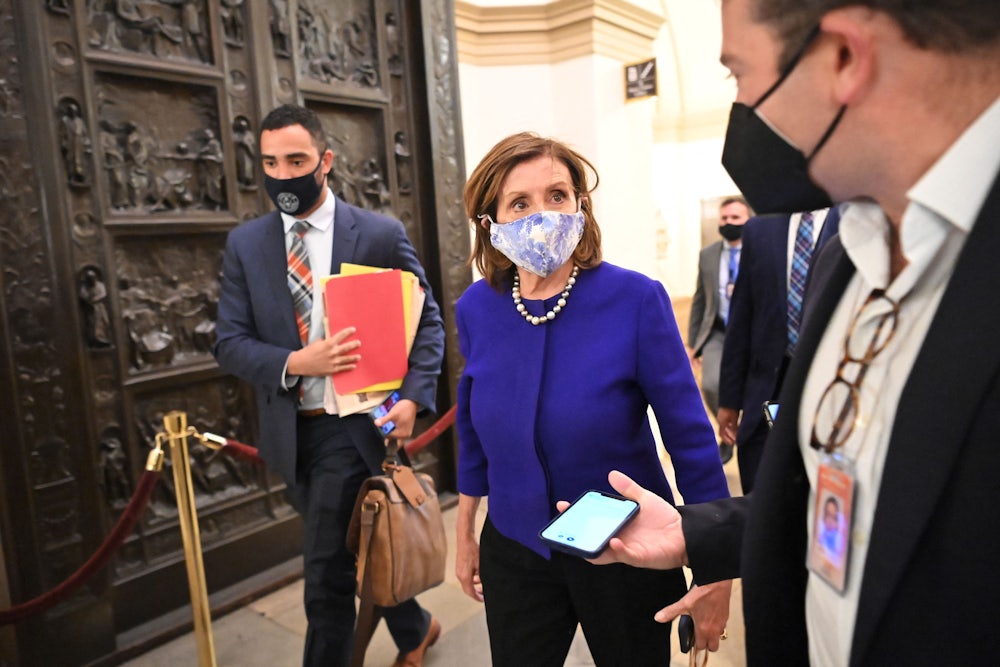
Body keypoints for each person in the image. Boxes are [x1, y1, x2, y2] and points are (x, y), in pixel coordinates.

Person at [574, 0, 1000, 664]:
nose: (741, 112)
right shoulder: (850, 248)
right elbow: (850, 509)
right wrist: (698, 533)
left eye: (738, 75)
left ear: (845, 58)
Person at [453, 131, 732, 667]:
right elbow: (472, 431)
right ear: (491, 224)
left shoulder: (634, 299)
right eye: (520, 202)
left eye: (557, 195)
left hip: (626, 546)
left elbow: (691, 439)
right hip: (515, 548)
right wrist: (465, 534)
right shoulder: (477, 308)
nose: (543, 214)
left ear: (581, 203)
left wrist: (714, 568)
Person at [214, 104, 445, 667]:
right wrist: (299, 360)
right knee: (355, 542)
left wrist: (414, 396)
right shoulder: (246, 245)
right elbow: (229, 343)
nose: (282, 173)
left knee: (326, 579)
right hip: (289, 436)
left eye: (296, 160)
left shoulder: (379, 234)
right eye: (270, 162)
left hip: (355, 428)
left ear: (326, 160)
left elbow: (427, 320)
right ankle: (414, 627)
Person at [717, 206, 840, 493]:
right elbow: (741, 318)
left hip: (831, 387)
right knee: (759, 489)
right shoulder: (761, 228)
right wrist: (729, 399)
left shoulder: (853, 217)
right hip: (767, 387)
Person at [687, 196, 751, 465]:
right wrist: (692, 344)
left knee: (752, 390)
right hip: (718, 331)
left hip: (750, 333)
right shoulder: (708, 255)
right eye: (724, 218)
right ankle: (727, 432)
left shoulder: (759, 251)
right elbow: (700, 298)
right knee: (712, 384)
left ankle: (744, 435)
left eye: (736, 218)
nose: (729, 223)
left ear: (748, 221)